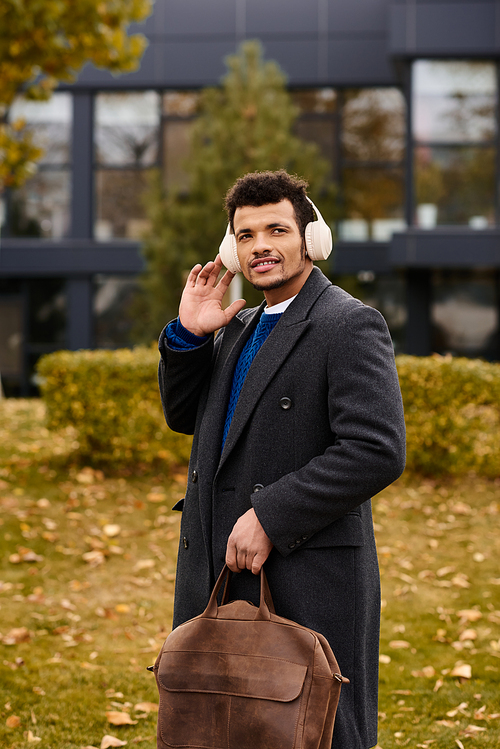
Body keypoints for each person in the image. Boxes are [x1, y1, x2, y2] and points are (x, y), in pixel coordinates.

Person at [158, 169, 406, 749]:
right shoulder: (238, 323)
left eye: (276, 229)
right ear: (232, 250)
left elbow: (376, 449)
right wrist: (191, 336)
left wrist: (272, 514)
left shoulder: (348, 323)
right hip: (219, 571)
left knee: (311, 727)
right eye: (246, 236)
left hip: (306, 573)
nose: (261, 245)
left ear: (309, 239)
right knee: (224, 727)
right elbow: (185, 417)